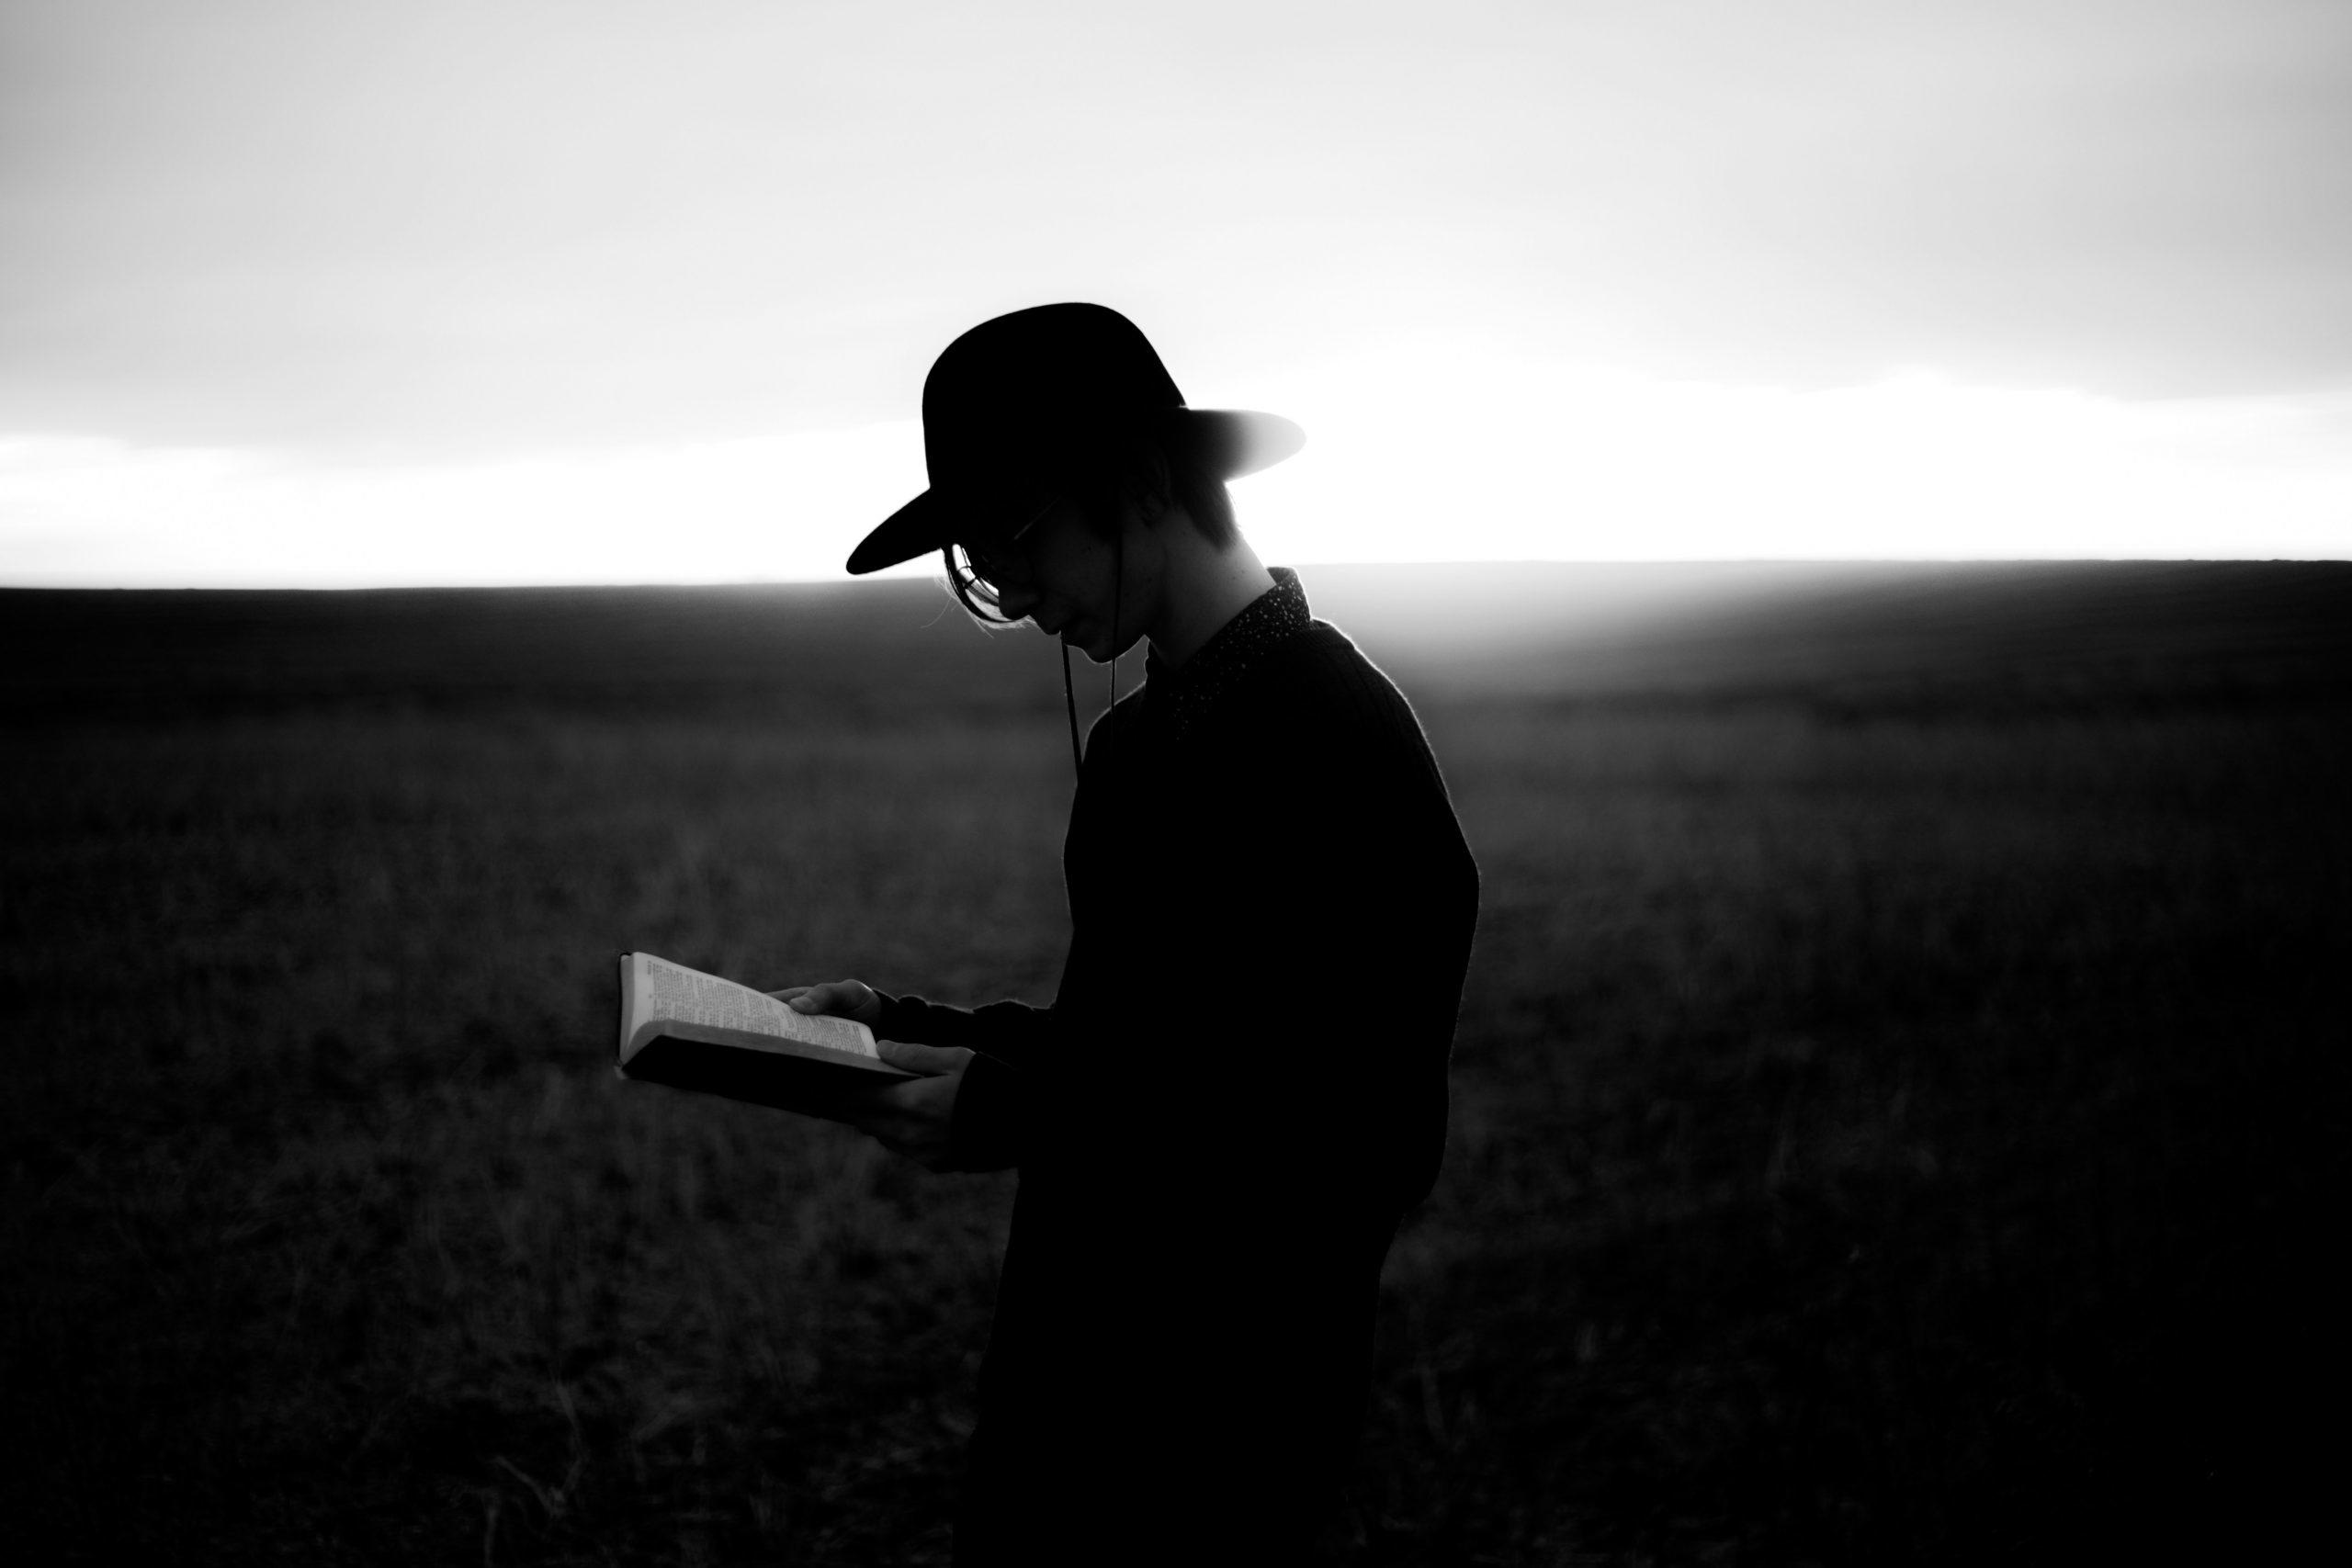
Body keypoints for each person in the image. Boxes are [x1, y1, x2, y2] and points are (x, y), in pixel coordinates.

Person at [777, 303, 1478, 1563]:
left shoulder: (1343, 743)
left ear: (1146, 483)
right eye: (980, 566)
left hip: (1222, 1432)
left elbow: (1358, 1134)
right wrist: (898, 1031)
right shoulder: (1135, 746)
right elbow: (1133, 1045)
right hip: (1069, 1394)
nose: (1012, 591)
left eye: (1014, 538)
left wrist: (1006, 1113)